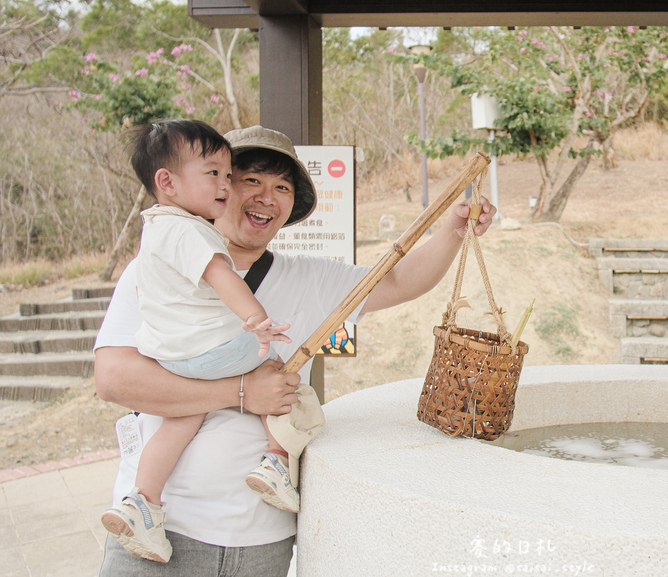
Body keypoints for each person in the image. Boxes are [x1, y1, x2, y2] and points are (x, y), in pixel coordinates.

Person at [94, 125, 495, 576]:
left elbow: (400, 281)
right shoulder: (156, 269)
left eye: (282, 187)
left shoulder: (311, 278)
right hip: (164, 536)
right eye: (252, 180)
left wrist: (453, 231)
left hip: (263, 540)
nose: (268, 197)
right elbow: (114, 379)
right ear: (220, 188)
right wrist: (243, 392)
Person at [99, 120, 307, 564]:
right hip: (211, 353)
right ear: (167, 182)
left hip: (175, 359)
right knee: (279, 372)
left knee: (180, 418)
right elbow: (223, 277)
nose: (225, 186)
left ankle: (142, 502)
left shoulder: (155, 232)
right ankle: (275, 461)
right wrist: (257, 323)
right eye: (219, 175)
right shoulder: (189, 232)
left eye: (227, 174)